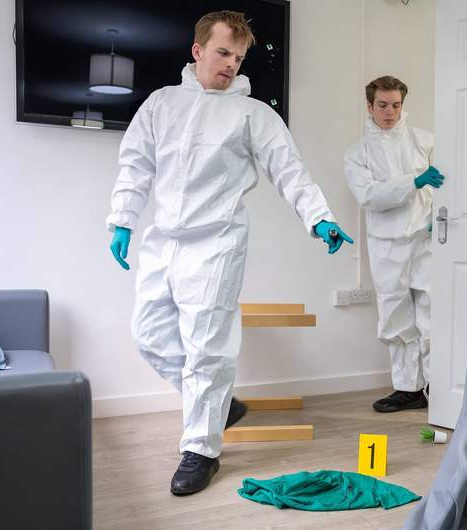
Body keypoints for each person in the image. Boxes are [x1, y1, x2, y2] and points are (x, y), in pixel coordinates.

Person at [106, 11, 352, 496]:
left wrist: (317, 216)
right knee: (149, 335)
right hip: (164, 240)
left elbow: (289, 170)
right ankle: (220, 404)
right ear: (197, 50)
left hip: (217, 242)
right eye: (223, 53)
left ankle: (201, 450)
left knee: (207, 346)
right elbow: (135, 164)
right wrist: (121, 219)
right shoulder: (161, 104)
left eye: (238, 58)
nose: (231, 65)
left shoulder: (253, 114)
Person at [343, 76, 443, 413]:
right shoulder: (357, 154)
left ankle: (437, 387)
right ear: (369, 106)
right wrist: (413, 181)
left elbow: (451, 183)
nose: (390, 112)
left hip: (426, 240)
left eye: (396, 105)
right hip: (387, 244)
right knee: (396, 316)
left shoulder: (424, 141)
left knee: (433, 313)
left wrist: (437, 213)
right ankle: (407, 388)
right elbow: (369, 195)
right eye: (383, 105)